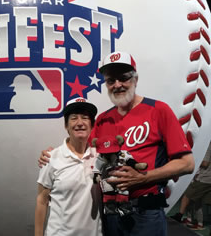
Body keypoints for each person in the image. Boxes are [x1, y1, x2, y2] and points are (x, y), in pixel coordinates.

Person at [38, 51, 195, 236]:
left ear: (135, 79)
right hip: (111, 213)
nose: (117, 85)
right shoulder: (103, 119)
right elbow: (80, 149)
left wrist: (145, 177)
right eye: (111, 80)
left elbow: (187, 164)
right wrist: (52, 154)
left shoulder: (158, 110)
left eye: (123, 78)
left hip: (146, 211)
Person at [34, 97, 103, 236]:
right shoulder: (51, 158)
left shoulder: (101, 157)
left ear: (92, 124)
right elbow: (42, 201)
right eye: (73, 118)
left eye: (85, 118)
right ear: (66, 125)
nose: (79, 123)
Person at [170, 142, 211, 230]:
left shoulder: (208, 145)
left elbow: (205, 163)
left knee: (188, 197)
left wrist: (193, 160)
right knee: (196, 201)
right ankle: (192, 221)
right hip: (205, 177)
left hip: (204, 178)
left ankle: (182, 216)